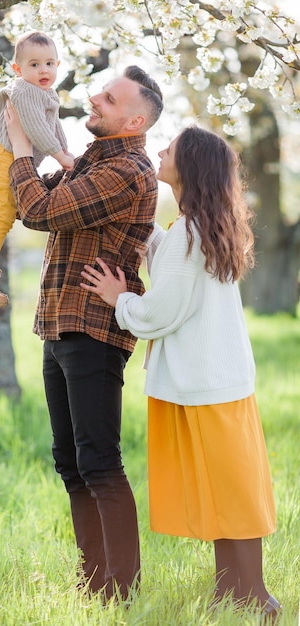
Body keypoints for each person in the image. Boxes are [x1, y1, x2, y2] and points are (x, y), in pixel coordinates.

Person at [80, 126, 281, 620]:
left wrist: (119, 299)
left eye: (168, 149)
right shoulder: (199, 228)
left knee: (230, 492)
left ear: (188, 167)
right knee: (227, 489)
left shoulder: (191, 233)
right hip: (217, 381)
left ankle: (255, 597)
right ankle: (235, 591)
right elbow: (167, 255)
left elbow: (162, 310)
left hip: (206, 384)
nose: (159, 151)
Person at [4, 65, 164, 601]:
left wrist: (25, 150)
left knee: (98, 459)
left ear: (134, 119)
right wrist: (28, 140)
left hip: (94, 330)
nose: (95, 97)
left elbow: (37, 208)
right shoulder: (92, 163)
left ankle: (123, 591)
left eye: (110, 98)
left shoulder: (128, 170)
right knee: (71, 462)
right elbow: (30, 195)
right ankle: (95, 584)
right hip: (61, 324)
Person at [0, 31, 74, 307]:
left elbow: (53, 125)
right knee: (1, 215)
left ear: (58, 65)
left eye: (49, 63)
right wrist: (60, 156)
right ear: (18, 69)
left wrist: (66, 150)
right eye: (34, 65)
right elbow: (36, 126)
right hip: (3, 159)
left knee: (5, 215)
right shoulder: (23, 90)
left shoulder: (45, 94)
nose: (43, 70)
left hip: (10, 161)